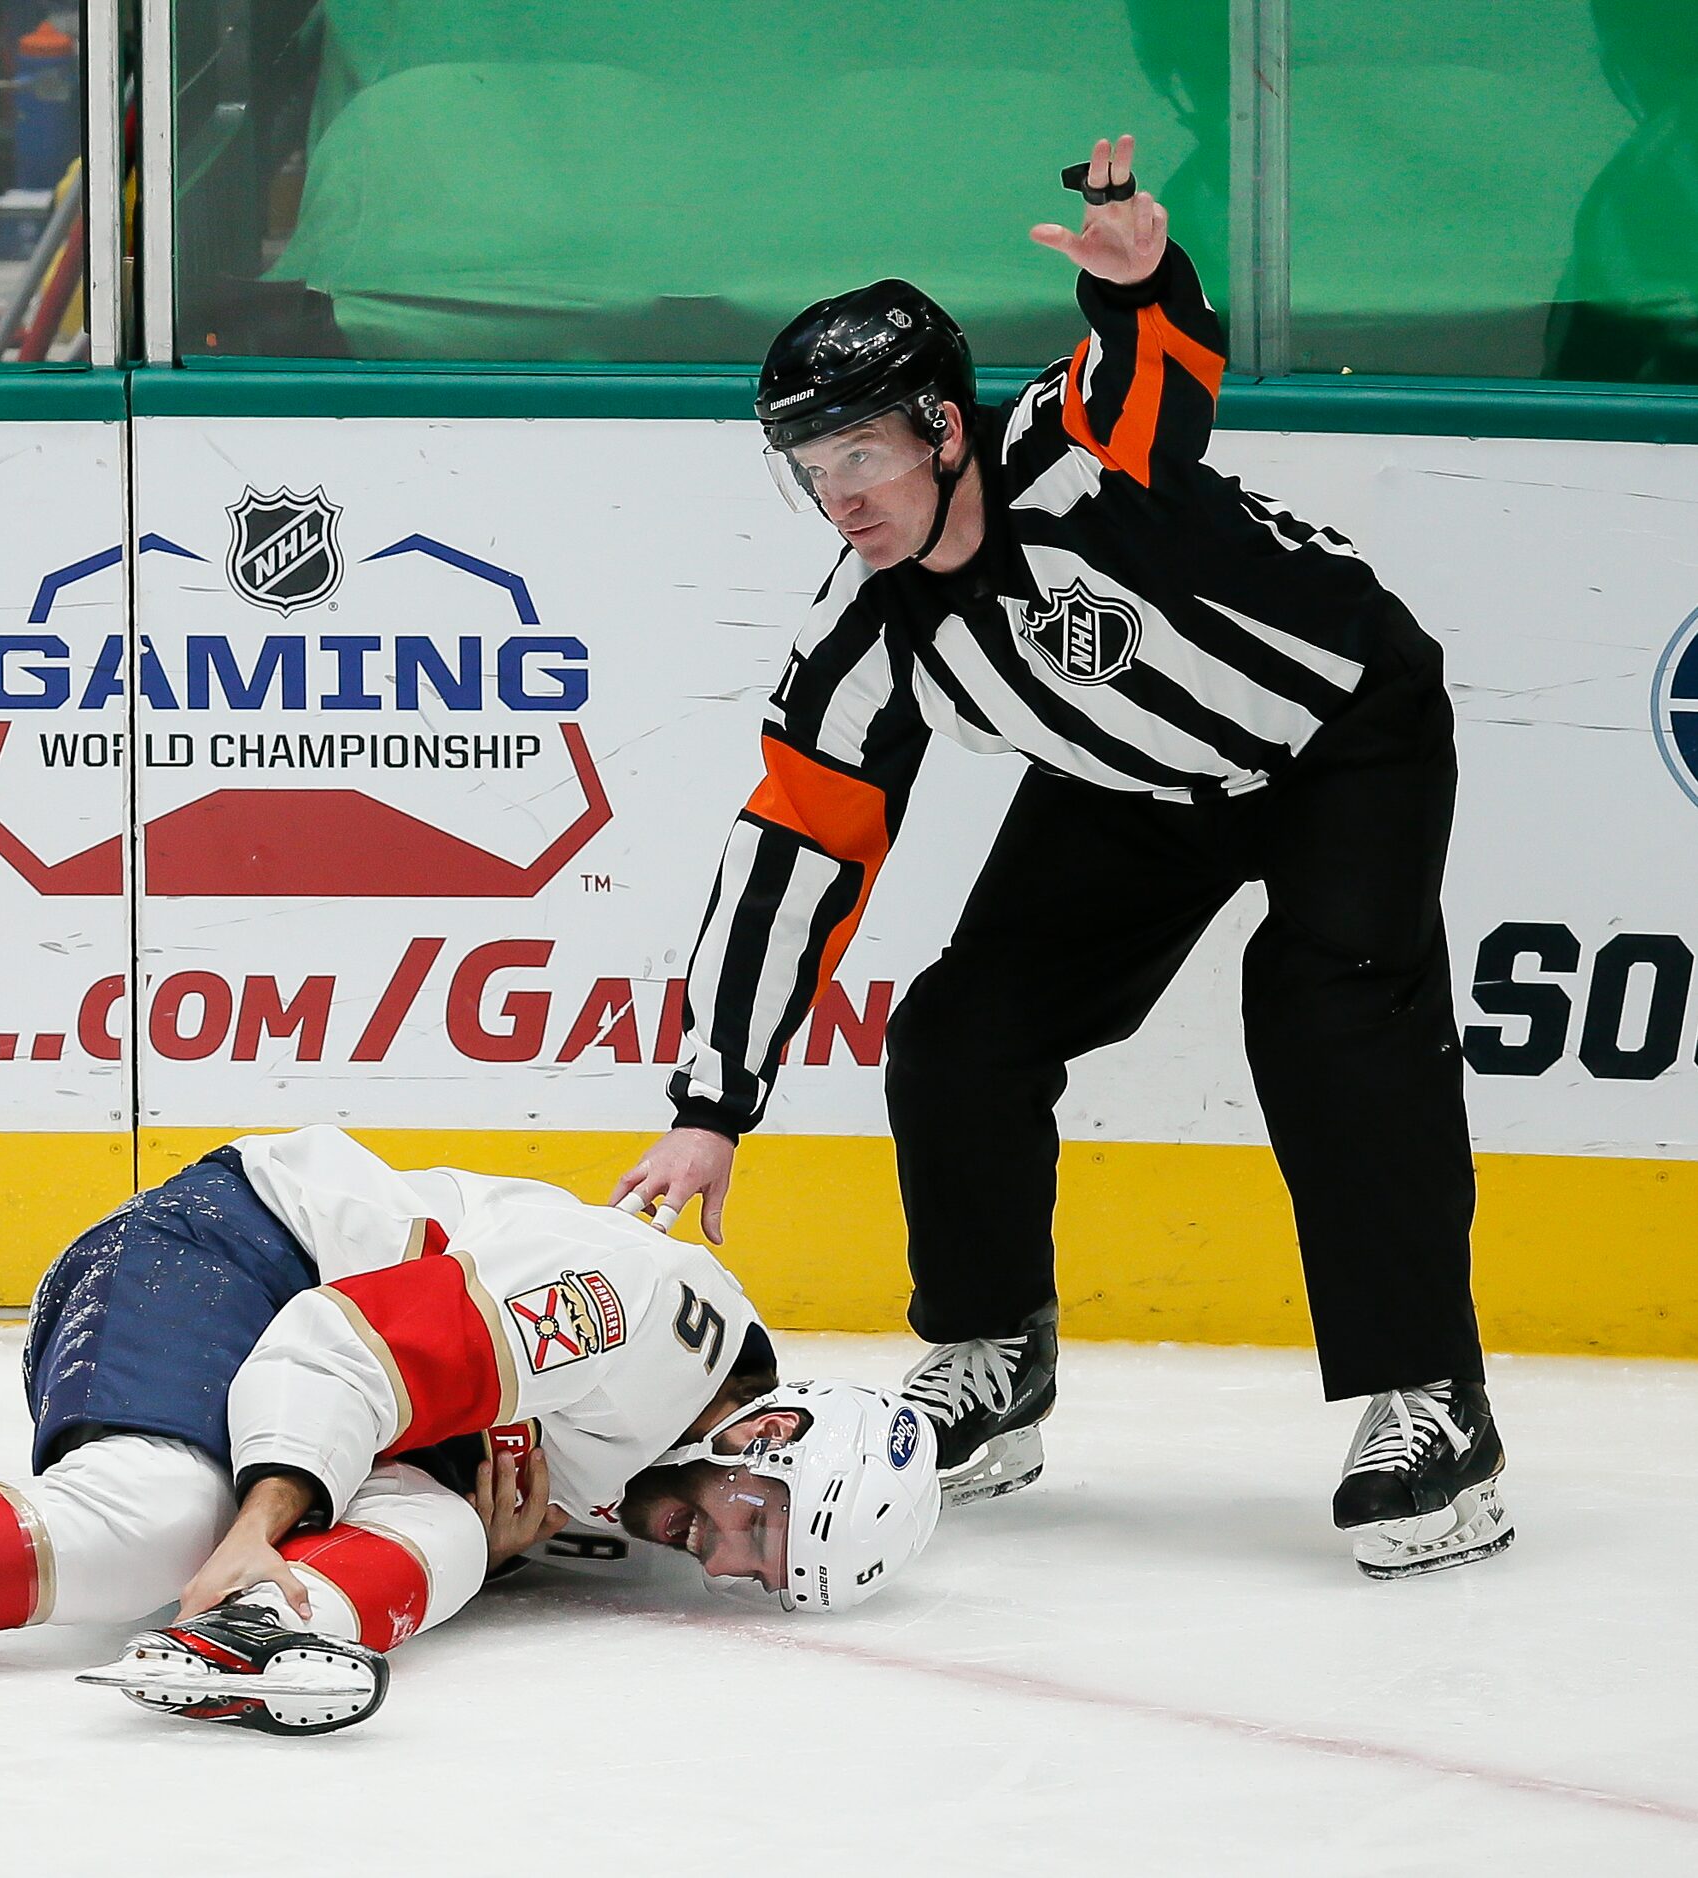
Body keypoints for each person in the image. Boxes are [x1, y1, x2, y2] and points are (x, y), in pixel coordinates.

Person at [613, 136, 1511, 1582]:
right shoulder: (864, 632)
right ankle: (990, 1356)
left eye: (861, 452)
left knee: (1327, 1010)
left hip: (1343, 733)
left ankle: (1431, 1400)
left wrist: (1143, 278)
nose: (837, 493)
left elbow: (1151, 382)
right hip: (1133, 787)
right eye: (809, 467)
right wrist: (712, 1099)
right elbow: (791, 851)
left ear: (942, 428)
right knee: (962, 1029)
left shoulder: (1075, 455)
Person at [0, 1125, 941, 1731]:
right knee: (146, 1523)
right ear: (768, 1426)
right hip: (235, 1248)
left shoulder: (661, 1445)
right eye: (753, 1527)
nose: (725, 1563)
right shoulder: (640, 1314)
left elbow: (452, 1474)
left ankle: (246, 1637)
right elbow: (344, 1346)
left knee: (446, 1529)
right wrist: (256, 1530)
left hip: (330, 1353)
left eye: (762, 1569)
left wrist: (450, 1541)